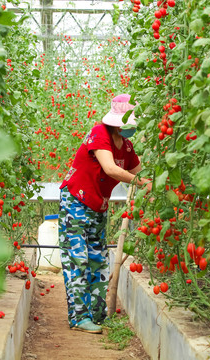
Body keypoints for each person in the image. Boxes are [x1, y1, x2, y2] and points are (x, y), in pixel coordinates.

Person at [58, 94, 151, 334]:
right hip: (75, 203)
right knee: (79, 259)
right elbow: (110, 169)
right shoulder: (99, 134)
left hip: (98, 206)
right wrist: (143, 183)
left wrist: (158, 181)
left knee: (98, 260)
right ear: (120, 122)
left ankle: (97, 316)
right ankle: (79, 318)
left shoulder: (127, 146)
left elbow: (143, 172)